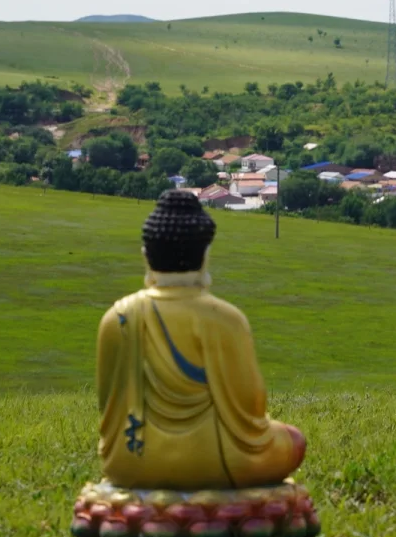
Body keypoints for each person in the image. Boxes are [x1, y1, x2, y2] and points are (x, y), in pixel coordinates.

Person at [95, 189, 305, 490]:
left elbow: (109, 408)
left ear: (146, 256)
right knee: (293, 440)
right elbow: (252, 406)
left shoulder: (118, 318)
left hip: (130, 463)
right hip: (218, 460)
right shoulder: (226, 319)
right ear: (205, 255)